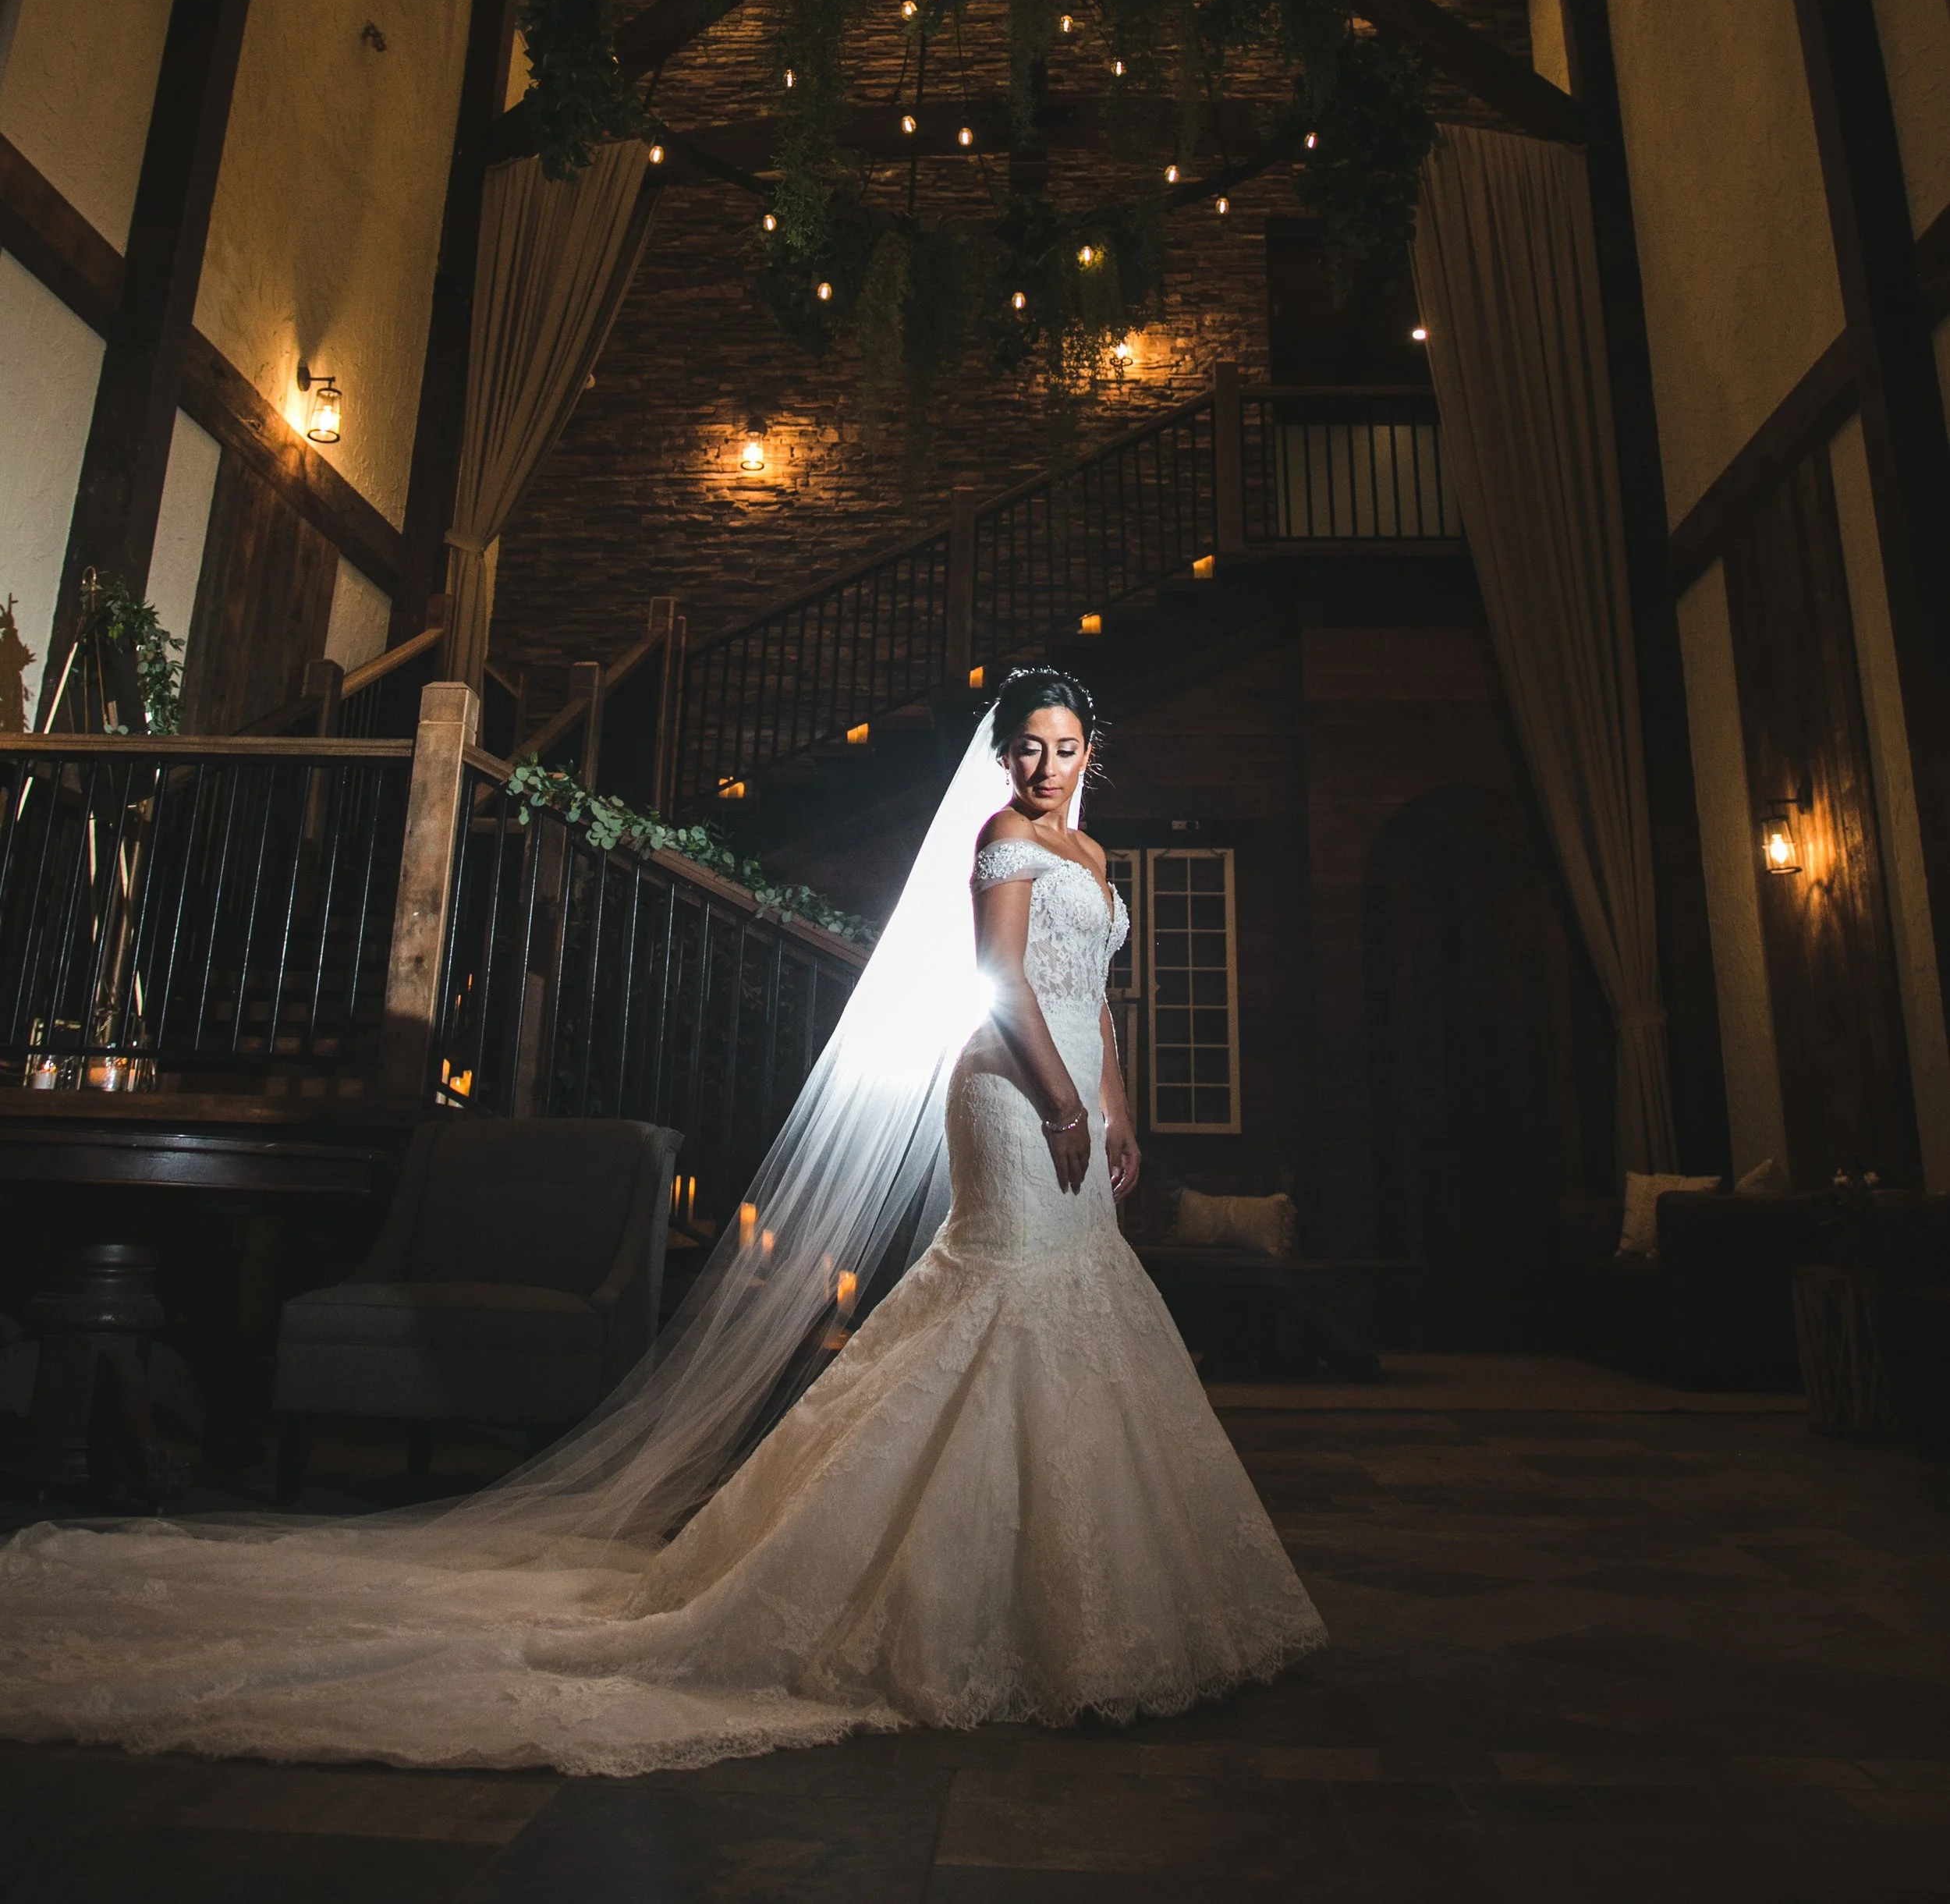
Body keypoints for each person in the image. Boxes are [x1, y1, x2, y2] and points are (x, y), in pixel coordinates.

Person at [0, 669, 1322, 1771]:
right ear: (1004, 759)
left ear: (1095, 751)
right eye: (1025, 747)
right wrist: (1059, 1107)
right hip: (1007, 1101)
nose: (1044, 766)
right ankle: (893, 1582)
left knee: (1073, 1312)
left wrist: (1121, 1102)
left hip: (1078, 1097)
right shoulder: (1002, 845)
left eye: (1064, 746)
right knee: (1006, 1298)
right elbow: (998, 981)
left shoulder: (1092, 851)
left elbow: (1092, 995)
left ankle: (1068, 1601)